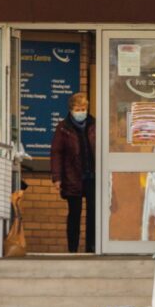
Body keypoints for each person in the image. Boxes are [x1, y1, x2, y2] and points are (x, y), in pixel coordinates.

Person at [50, 92, 95, 254]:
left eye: (83, 108)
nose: (81, 112)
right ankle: (73, 249)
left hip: (92, 176)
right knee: (74, 214)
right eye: (78, 109)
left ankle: (92, 247)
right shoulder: (63, 127)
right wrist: (57, 178)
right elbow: (56, 153)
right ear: (71, 109)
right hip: (72, 176)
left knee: (93, 214)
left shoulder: (94, 124)